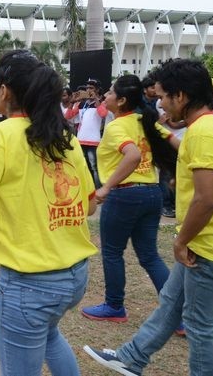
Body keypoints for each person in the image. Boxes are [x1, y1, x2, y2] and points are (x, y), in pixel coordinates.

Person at [0, 50, 97, 376]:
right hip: (74, 274)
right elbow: (90, 204)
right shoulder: (63, 135)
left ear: (4, 91)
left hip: (30, 284)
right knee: (49, 334)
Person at [84, 59, 213, 376]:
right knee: (171, 303)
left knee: (199, 325)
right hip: (209, 239)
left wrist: (181, 240)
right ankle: (131, 357)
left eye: (164, 97)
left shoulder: (204, 132)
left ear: (181, 96)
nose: (159, 104)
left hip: (211, 243)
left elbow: (206, 199)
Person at [80, 75, 180, 324]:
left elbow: (133, 155)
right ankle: (178, 315)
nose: (105, 96)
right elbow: (179, 144)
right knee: (149, 256)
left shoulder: (117, 126)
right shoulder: (145, 121)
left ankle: (115, 306)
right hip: (151, 193)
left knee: (112, 253)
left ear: (122, 100)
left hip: (124, 195)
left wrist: (106, 188)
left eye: (111, 93)